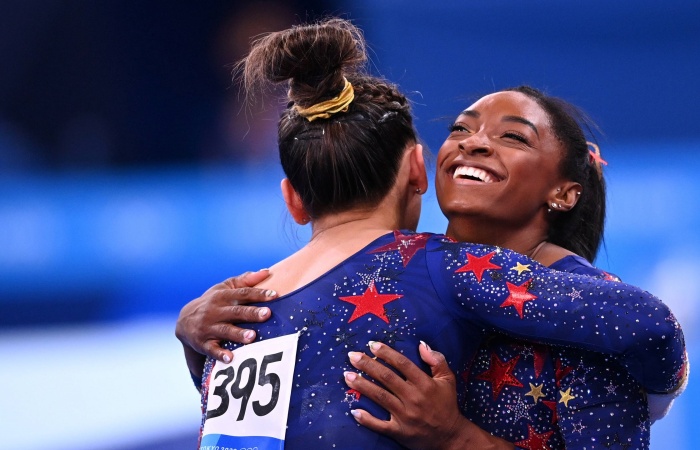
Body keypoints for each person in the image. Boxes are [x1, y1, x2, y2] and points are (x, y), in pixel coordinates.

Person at [178, 18, 686, 450]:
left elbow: (658, 331)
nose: (475, 145)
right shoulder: (426, 276)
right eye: (461, 130)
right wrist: (195, 342)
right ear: (419, 171)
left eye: (513, 137)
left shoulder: (588, 321)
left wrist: (458, 438)